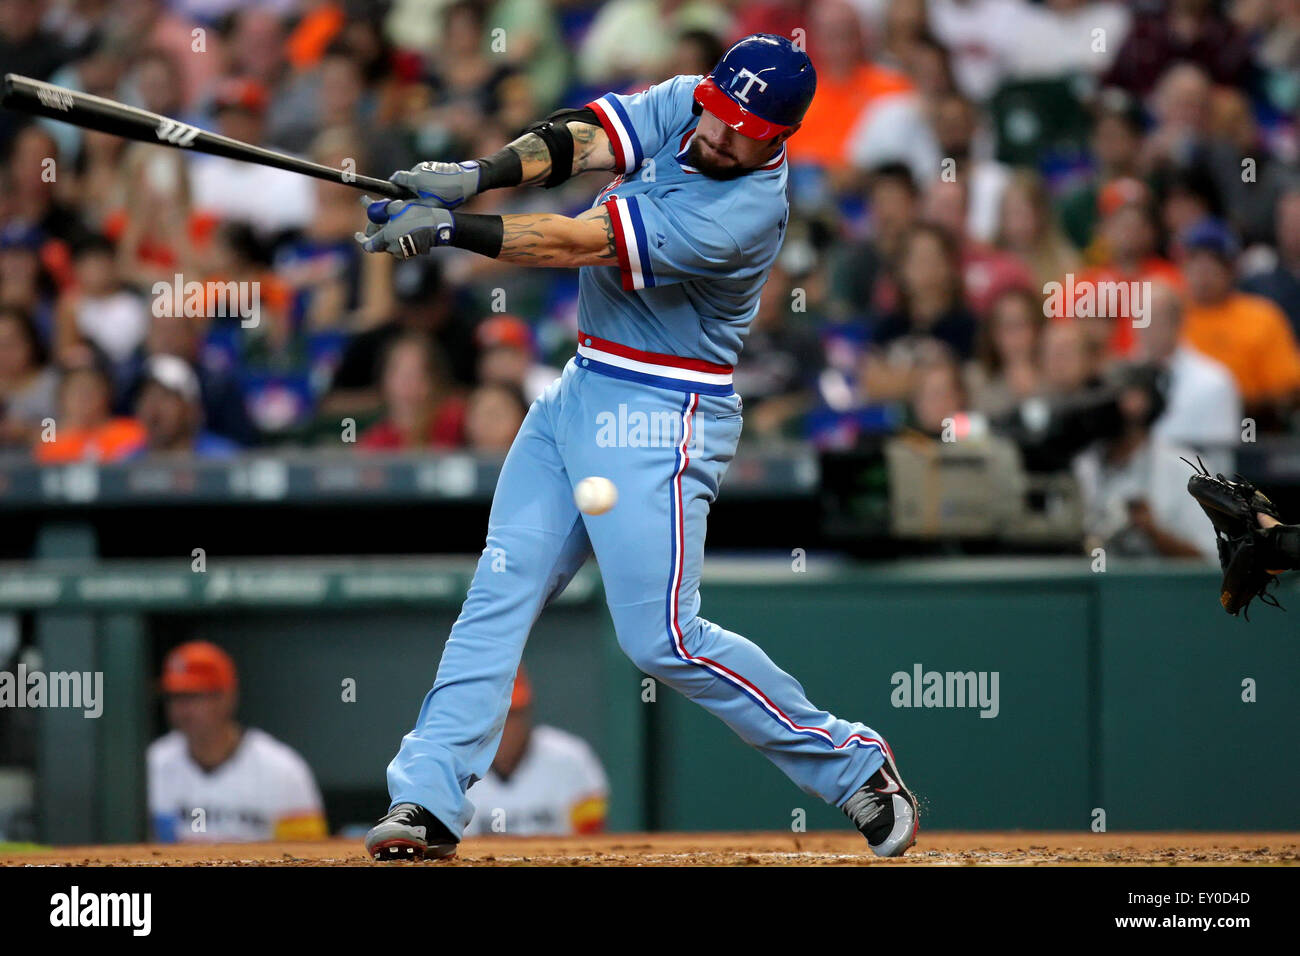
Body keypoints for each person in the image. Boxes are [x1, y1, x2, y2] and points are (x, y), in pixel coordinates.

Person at [358, 34, 918, 861]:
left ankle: (854, 765)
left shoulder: (745, 211)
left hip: (663, 411)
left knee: (664, 639)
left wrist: (448, 228)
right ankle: (429, 800)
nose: (719, 134)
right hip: (583, 387)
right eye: (721, 113)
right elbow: (582, 137)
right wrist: (479, 175)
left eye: (744, 128)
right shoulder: (695, 100)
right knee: (499, 591)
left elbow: (574, 242)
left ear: (781, 137)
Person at [147, 641, 328, 843]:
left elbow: (307, 854)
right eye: (175, 697)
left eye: (194, 696)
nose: (182, 709)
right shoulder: (152, 763)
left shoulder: (283, 769)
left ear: (227, 697)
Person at [463, 669, 608, 837]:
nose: (502, 727)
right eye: (493, 717)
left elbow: (592, 842)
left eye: (511, 715)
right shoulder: (457, 770)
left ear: (527, 713)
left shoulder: (571, 759)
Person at [129, 354, 241, 459]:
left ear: (191, 409)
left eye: (165, 396)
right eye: (145, 397)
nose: (153, 407)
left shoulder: (223, 459)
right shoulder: (126, 467)